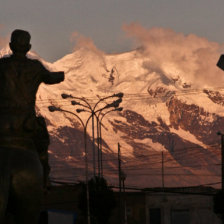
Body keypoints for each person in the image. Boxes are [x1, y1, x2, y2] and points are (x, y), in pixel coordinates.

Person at [0, 29, 64, 224]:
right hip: (26, 129)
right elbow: (54, 78)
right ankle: (44, 179)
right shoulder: (35, 68)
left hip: (2, 127)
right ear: (28, 47)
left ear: (10, 46)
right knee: (42, 145)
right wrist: (61, 75)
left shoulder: (1, 66)